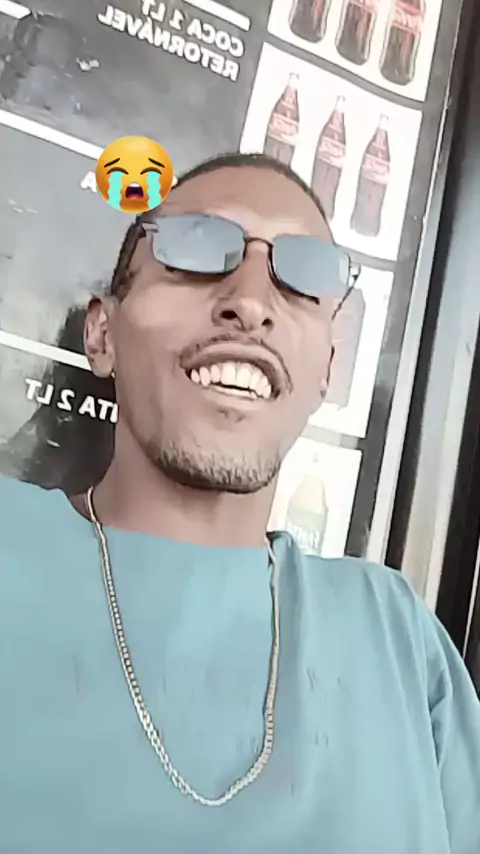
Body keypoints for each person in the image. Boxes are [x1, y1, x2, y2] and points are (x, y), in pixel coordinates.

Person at [0, 152, 479, 854]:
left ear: (328, 371)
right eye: (194, 249)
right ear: (102, 335)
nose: (251, 302)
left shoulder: (398, 636)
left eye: (305, 276)